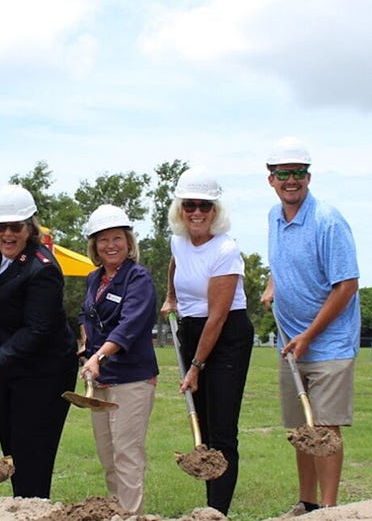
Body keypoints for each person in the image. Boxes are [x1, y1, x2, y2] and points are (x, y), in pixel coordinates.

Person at [261, 137, 359, 515]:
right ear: (271, 179)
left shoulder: (328, 221)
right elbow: (282, 262)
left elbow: (347, 284)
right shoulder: (274, 217)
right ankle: (307, 504)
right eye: (283, 174)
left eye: (298, 174)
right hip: (292, 343)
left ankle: (330, 510)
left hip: (328, 344)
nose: (291, 181)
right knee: (303, 431)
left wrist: (310, 335)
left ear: (309, 177)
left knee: (325, 430)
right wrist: (273, 284)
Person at [161, 167, 253, 516]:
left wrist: (196, 366)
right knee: (202, 423)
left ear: (216, 211)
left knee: (223, 429)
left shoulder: (226, 250)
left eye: (204, 205)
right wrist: (170, 295)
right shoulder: (179, 241)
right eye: (189, 205)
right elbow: (175, 264)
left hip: (227, 334)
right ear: (180, 209)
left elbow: (218, 316)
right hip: (192, 330)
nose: (196, 212)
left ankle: (218, 511)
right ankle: (209, 505)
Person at [0, 184, 77, 499]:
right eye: (1, 227)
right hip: (12, 368)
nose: (8, 234)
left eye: (15, 227)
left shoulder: (42, 269)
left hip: (43, 374)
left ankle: (34, 511)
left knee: (32, 454)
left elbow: (38, 328)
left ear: (29, 228)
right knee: (14, 450)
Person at [79, 204, 159, 514]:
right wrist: (87, 347)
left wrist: (98, 355)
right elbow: (89, 316)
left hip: (132, 379)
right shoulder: (93, 278)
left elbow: (129, 325)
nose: (111, 246)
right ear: (94, 246)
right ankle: (119, 511)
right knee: (108, 454)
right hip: (100, 378)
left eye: (117, 239)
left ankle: (130, 515)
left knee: (127, 453)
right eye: (103, 240)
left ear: (129, 243)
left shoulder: (137, 278)